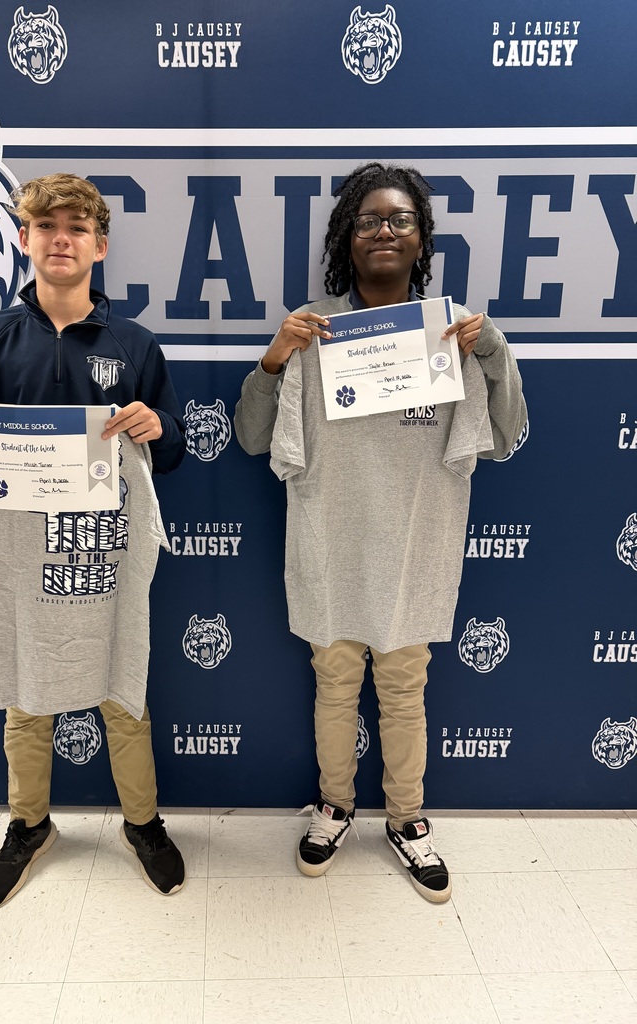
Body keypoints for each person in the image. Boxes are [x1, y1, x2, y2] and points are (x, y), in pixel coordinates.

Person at [234, 163, 526, 903]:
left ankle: (407, 818)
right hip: (332, 547)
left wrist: (492, 349)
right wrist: (274, 359)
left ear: (421, 237)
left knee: (404, 691)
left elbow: (505, 434)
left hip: (411, 551)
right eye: (369, 220)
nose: (384, 231)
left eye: (400, 220)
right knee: (335, 687)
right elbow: (250, 437)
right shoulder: (313, 327)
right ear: (347, 236)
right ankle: (335, 807)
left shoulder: (453, 332)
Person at [0, 173, 187, 907]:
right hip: (18, 550)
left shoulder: (134, 343)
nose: (61, 238)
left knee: (121, 692)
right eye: (46, 226)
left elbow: (171, 452)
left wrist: (159, 427)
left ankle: (144, 824)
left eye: (76, 227)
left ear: (100, 246)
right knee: (26, 697)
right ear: (24, 240)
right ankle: (28, 824)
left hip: (102, 546)